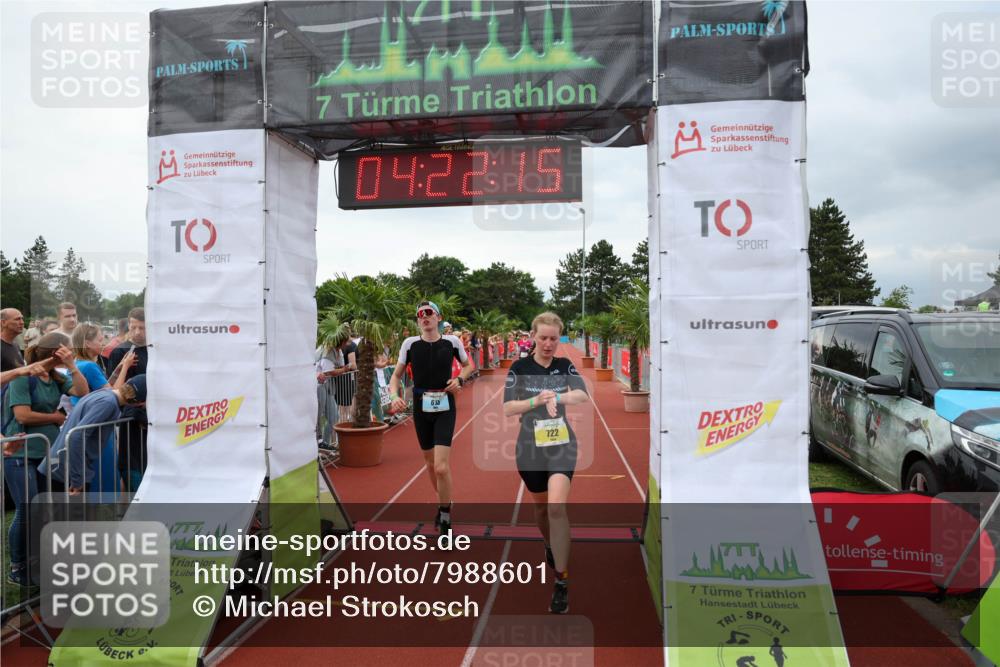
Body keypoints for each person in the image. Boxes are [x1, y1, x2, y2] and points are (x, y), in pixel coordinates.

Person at [503, 312, 589, 614]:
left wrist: (558, 396)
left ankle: (561, 581)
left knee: (556, 507)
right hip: (529, 448)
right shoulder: (519, 367)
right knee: (541, 509)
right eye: (544, 338)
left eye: (554, 338)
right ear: (533, 336)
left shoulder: (564, 366)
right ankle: (551, 545)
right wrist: (535, 402)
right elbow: (508, 408)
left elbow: (581, 394)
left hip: (561, 444)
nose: (549, 343)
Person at [2, 333, 89, 585]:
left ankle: (38, 560)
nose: (72, 353)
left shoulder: (54, 376)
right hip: (20, 453)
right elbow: (23, 416)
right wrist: (55, 418)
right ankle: (17, 567)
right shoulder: (24, 377)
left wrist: (72, 366)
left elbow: (81, 392)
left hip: (45, 453)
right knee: (26, 508)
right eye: (68, 351)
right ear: (55, 352)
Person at [389, 301, 472, 534]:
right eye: (420, 315)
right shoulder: (410, 344)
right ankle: (443, 502)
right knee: (430, 463)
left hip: (445, 405)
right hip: (420, 407)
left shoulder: (452, 342)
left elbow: (468, 366)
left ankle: (445, 517)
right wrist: (394, 396)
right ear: (418, 321)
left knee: (441, 468)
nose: (424, 317)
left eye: (429, 313)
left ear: (438, 317)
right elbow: (396, 376)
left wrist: (459, 380)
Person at [40, 375, 146, 495]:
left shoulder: (106, 394)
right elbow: (76, 436)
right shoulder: (108, 403)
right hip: (65, 471)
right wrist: (77, 479)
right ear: (139, 402)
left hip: (61, 466)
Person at [71, 323, 135, 493]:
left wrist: (118, 368)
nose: (103, 343)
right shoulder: (90, 366)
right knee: (104, 477)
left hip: (86, 420)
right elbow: (113, 393)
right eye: (100, 340)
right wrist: (126, 368)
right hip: (98, 427)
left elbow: (104, 387)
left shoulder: (79, 364)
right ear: (87, 343)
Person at [108, 307, 147, 491]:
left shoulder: (155, 348)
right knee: (132, 463)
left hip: (153, 418)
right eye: (134, 327)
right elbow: (112, 387)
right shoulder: (120, 351)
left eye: (142, 328)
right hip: (130, 419)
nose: (138, 332)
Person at [2, 308, 26, 373]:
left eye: (22, 319)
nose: (22, 322)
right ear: (3, 322)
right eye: (17, 319)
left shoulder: (15, 345)